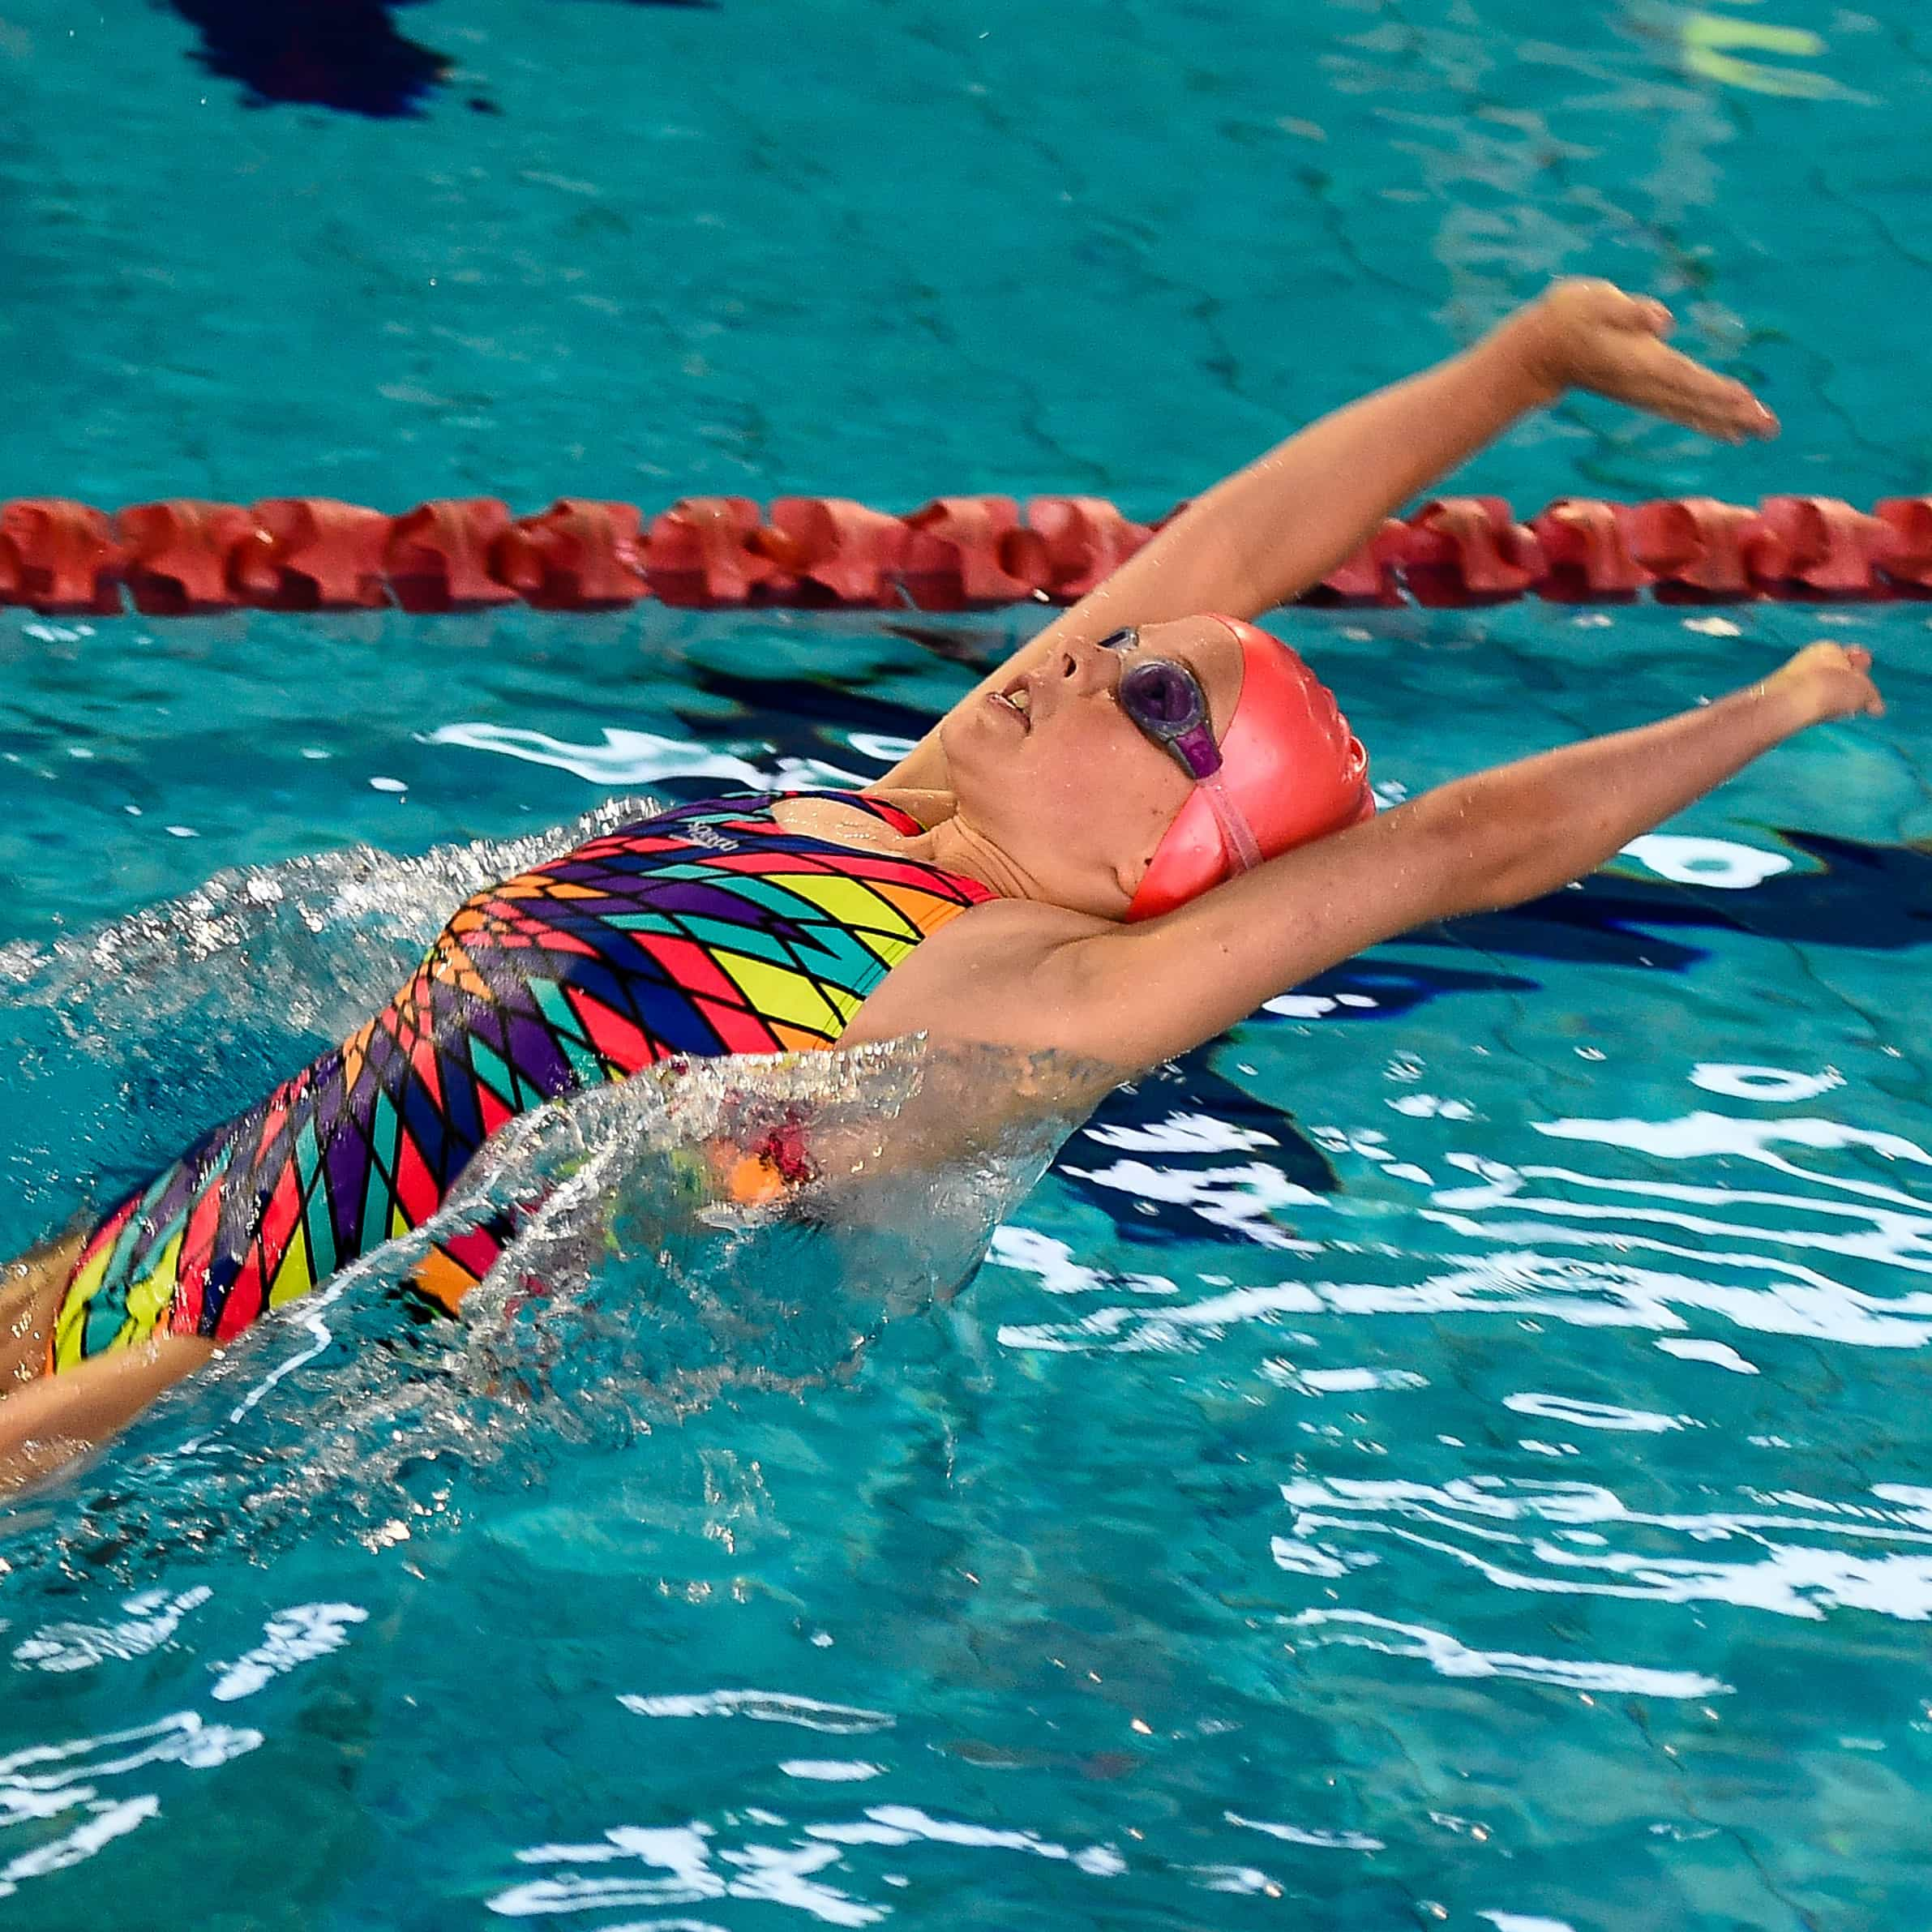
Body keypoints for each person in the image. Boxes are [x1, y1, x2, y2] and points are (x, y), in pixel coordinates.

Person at [0, 279, 1883, 1482]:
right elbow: (1239, 539)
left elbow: (1447, 851)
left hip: (250, 1386)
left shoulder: (1020, 988)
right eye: (1109, 639)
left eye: (1145, 692)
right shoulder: (898, 819)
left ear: (1170, 864)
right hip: (186, 1233)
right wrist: (1518, 364)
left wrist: (1776, 701)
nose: (1086, 646)